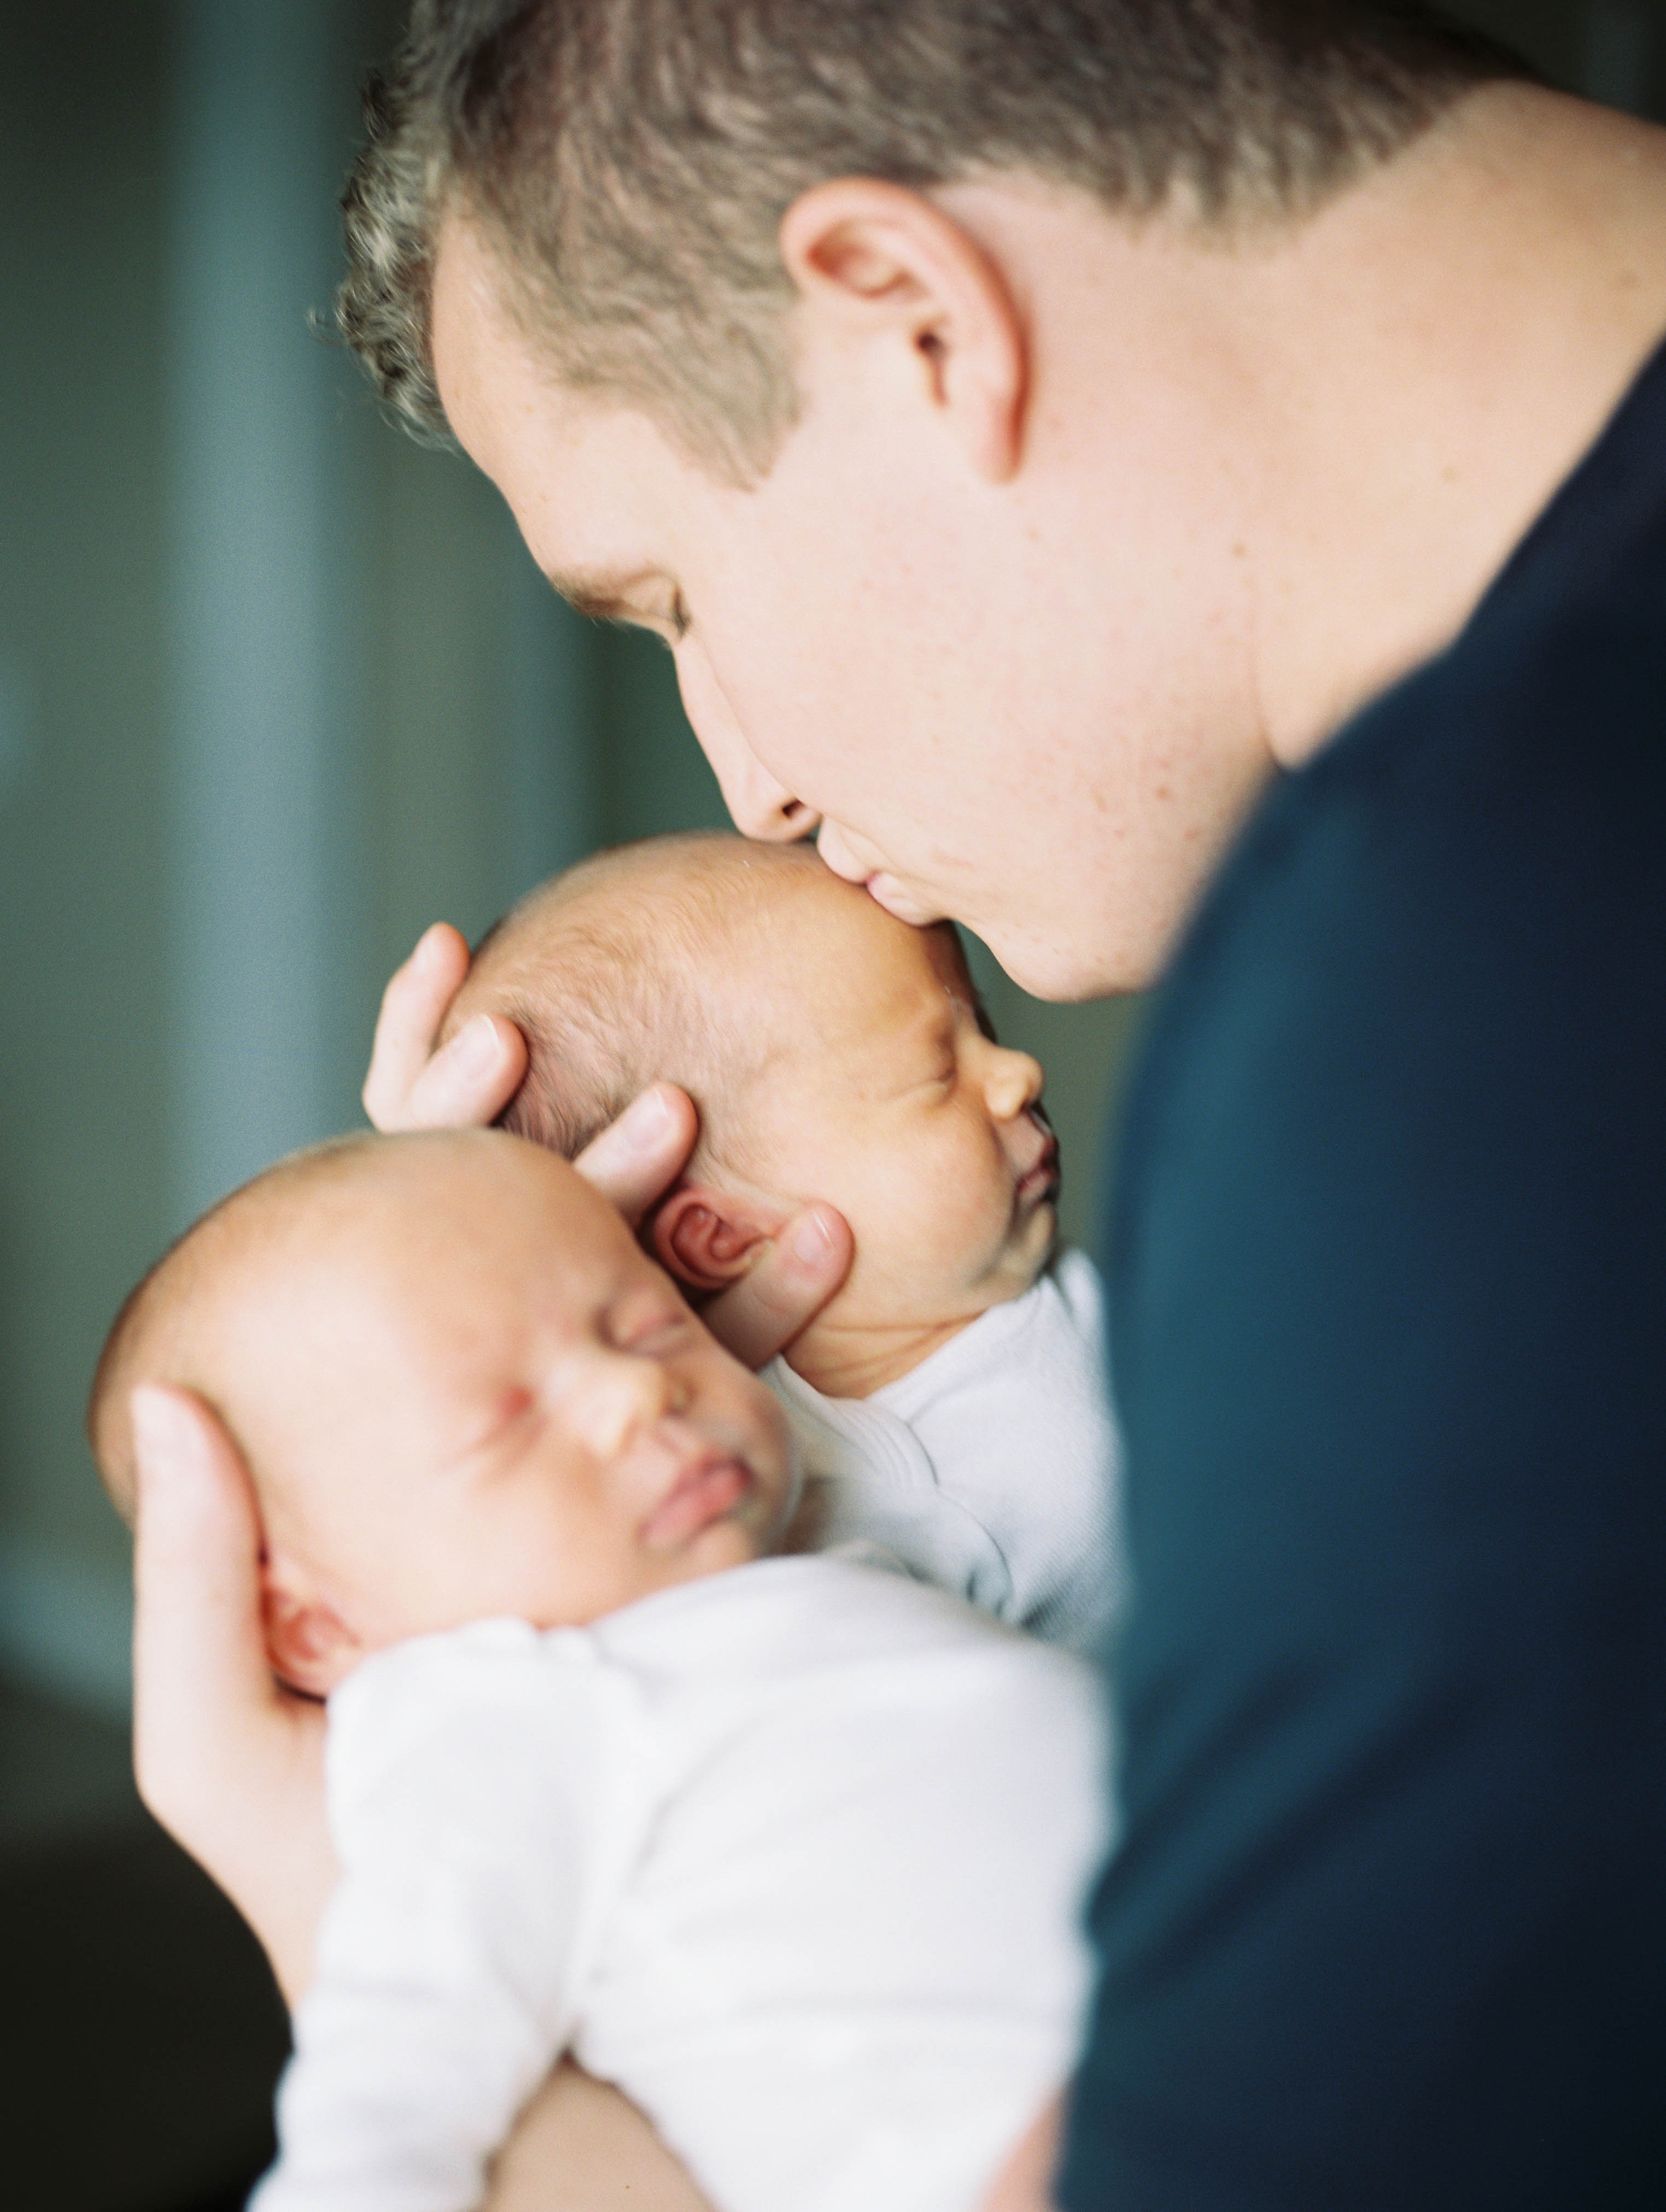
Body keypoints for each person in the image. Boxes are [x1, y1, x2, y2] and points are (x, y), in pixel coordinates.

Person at [129, 4, 1666, 2207]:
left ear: (915, 319)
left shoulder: (1449, 1009)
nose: (745, 777)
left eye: (669, 594)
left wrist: (347, 1901)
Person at [91, 1131, 1108, 2212]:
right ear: (311, 1627)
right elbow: (388, 2082)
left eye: (652, 1324)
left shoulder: (796, 1542)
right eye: (508, 1420)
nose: (638, 1393)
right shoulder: (485, 1719)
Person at [445, 832, 1122, 1655]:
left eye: (980, 1024)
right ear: (724, 1235)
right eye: (937, 1073)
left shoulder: (1037, 1292)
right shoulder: (851, 1515)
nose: (1019, 1072)